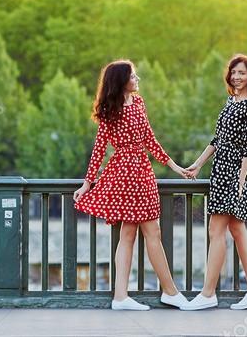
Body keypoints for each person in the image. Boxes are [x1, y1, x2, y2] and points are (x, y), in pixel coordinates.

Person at [73, 60, 191, 310]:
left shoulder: (138, 103)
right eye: (133, 76)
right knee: (147, 233)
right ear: (121, 81)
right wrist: (87, 183)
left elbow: (150, 139)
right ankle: (166, 292)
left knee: (132, 234)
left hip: (142, 171)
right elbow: (99, 149)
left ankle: (121, 297)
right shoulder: (109, 109)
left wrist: (175, 166)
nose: (137, 79)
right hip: (125, 173)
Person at [182, 53, 247, 310]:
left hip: (232, 173)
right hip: (220, 170)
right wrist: (198, 164)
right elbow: (217, 140)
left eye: (242, 73)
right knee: (237, 231)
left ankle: (208, 294)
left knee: (216, 231)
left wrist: (240, 183)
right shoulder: (231, 101)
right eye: (234, 72)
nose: (236, 77)